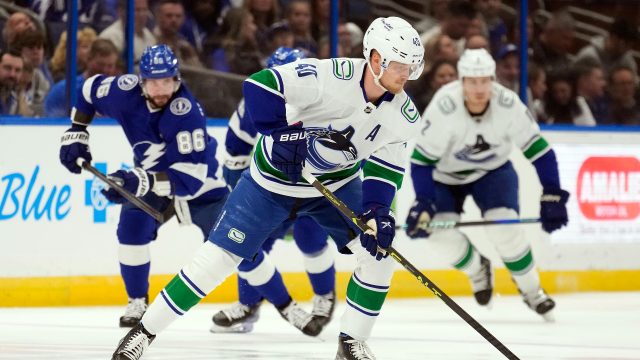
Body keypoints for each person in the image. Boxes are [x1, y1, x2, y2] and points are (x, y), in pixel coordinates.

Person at [111, 16, 425, 360]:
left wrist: (379, 210)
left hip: (335, 185)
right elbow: (260, 85)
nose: (407, 74)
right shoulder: (330, 76)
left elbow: (386, 166)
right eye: (401, 65)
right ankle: (144, 333)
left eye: (412, 67)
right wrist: (281, 133)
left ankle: (351, 343)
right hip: (270, 183)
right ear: (376, 59)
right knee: (217, 259)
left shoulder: (405, 115)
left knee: (379, 254)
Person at [58, 45, 230, 328]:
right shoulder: (124, 93)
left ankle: (270, 302)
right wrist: (77, 129)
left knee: (234, 245)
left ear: (177, 80)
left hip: (202, 187)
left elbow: (188, 181)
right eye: (154, 81)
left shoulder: (187, 114)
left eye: (167, 81)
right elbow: (88, 90)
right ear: (141, 81)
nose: (161, 89)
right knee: (131, 228)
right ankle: (137, 301)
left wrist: (138, 181)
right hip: (152, 180)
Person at [405, 48, 569, 321]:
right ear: (461, 80)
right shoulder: (444, 106)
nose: (479, 88)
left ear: (493, 79)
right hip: (445, 178)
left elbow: (539, 150)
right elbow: (421, 161)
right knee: (435, 233)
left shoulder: (509, 104)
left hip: (493, 173)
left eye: (484, 80)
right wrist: (424, 200)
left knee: (504, 227)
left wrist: (552, 192)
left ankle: (532, 291)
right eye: (472, 80)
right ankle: (476, 269)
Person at [211, 47, 336, 335]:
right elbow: (234, 155)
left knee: (311, 237)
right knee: (249, 246)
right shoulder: (251, 107)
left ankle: (324, 296)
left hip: (310, 190)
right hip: (269, 190)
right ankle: (248, 303)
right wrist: (241, 195)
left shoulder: (325, 105)